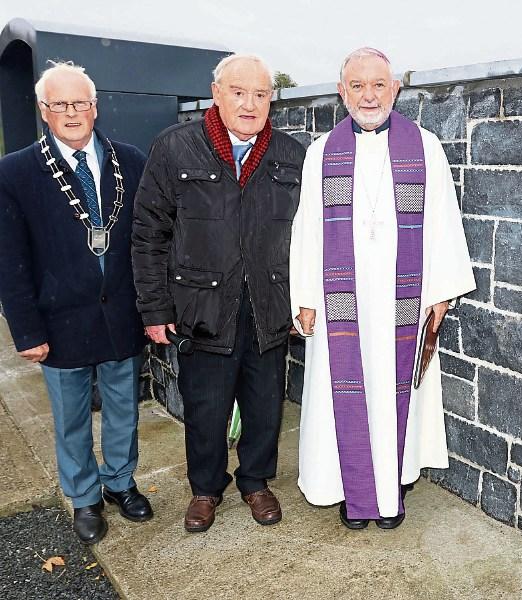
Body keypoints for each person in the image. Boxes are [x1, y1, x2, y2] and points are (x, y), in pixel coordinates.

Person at [290, 48, 475, 529]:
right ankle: (351, 495)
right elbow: (308, 228)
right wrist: (306, 296)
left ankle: (391, 492)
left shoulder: (425, 147)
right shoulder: (321, 153)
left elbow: (442, 223)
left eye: (378, 85)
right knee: (343, 390)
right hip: (340, 303)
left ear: (394, 89)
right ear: (342, 92)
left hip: (403, 300)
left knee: (396, 395)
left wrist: (441, 292)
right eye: (357, 86)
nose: (369, 95)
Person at [132, 54, 305, 533]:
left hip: (271, 307)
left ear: (272, 99)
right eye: (239, 92)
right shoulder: (174, 148)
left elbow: (311, 238)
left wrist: (305, 300)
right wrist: (154, 308)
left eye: (261, 94)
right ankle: (206, 489)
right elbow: (149, 234)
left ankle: (256, 481)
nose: (250, 104)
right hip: (202, 307)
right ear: (216, 93)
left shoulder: (293, 155)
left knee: (266, 403)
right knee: (206, 407)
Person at [0, 62, 152, 544]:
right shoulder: (14, 172)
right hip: (58, 320)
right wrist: (26, 330)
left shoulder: (130, 160)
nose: (72, 112)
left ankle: (120, 482)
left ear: (95, 106)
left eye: (80, 102)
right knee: (70, 419)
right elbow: (10, 259)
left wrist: (154, 309)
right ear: (44, 111)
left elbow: (151, 240)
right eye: (59, 104)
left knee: (124, 408)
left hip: (123, 313)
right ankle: (84, 496)